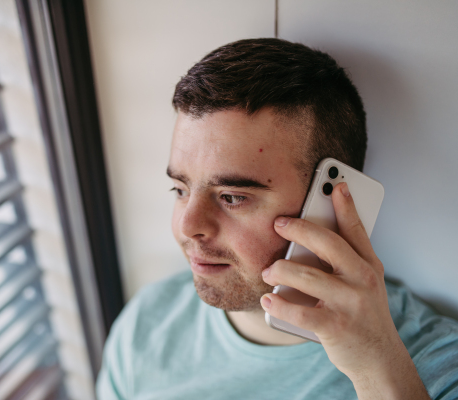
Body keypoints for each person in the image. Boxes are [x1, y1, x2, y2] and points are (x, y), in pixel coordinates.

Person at [96, 38, 458, 399]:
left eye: (233, 197)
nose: (188, 227)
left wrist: (373, 366)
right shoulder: (147, 323)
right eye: (180, 189)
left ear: (332, 204)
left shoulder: (435, 366)